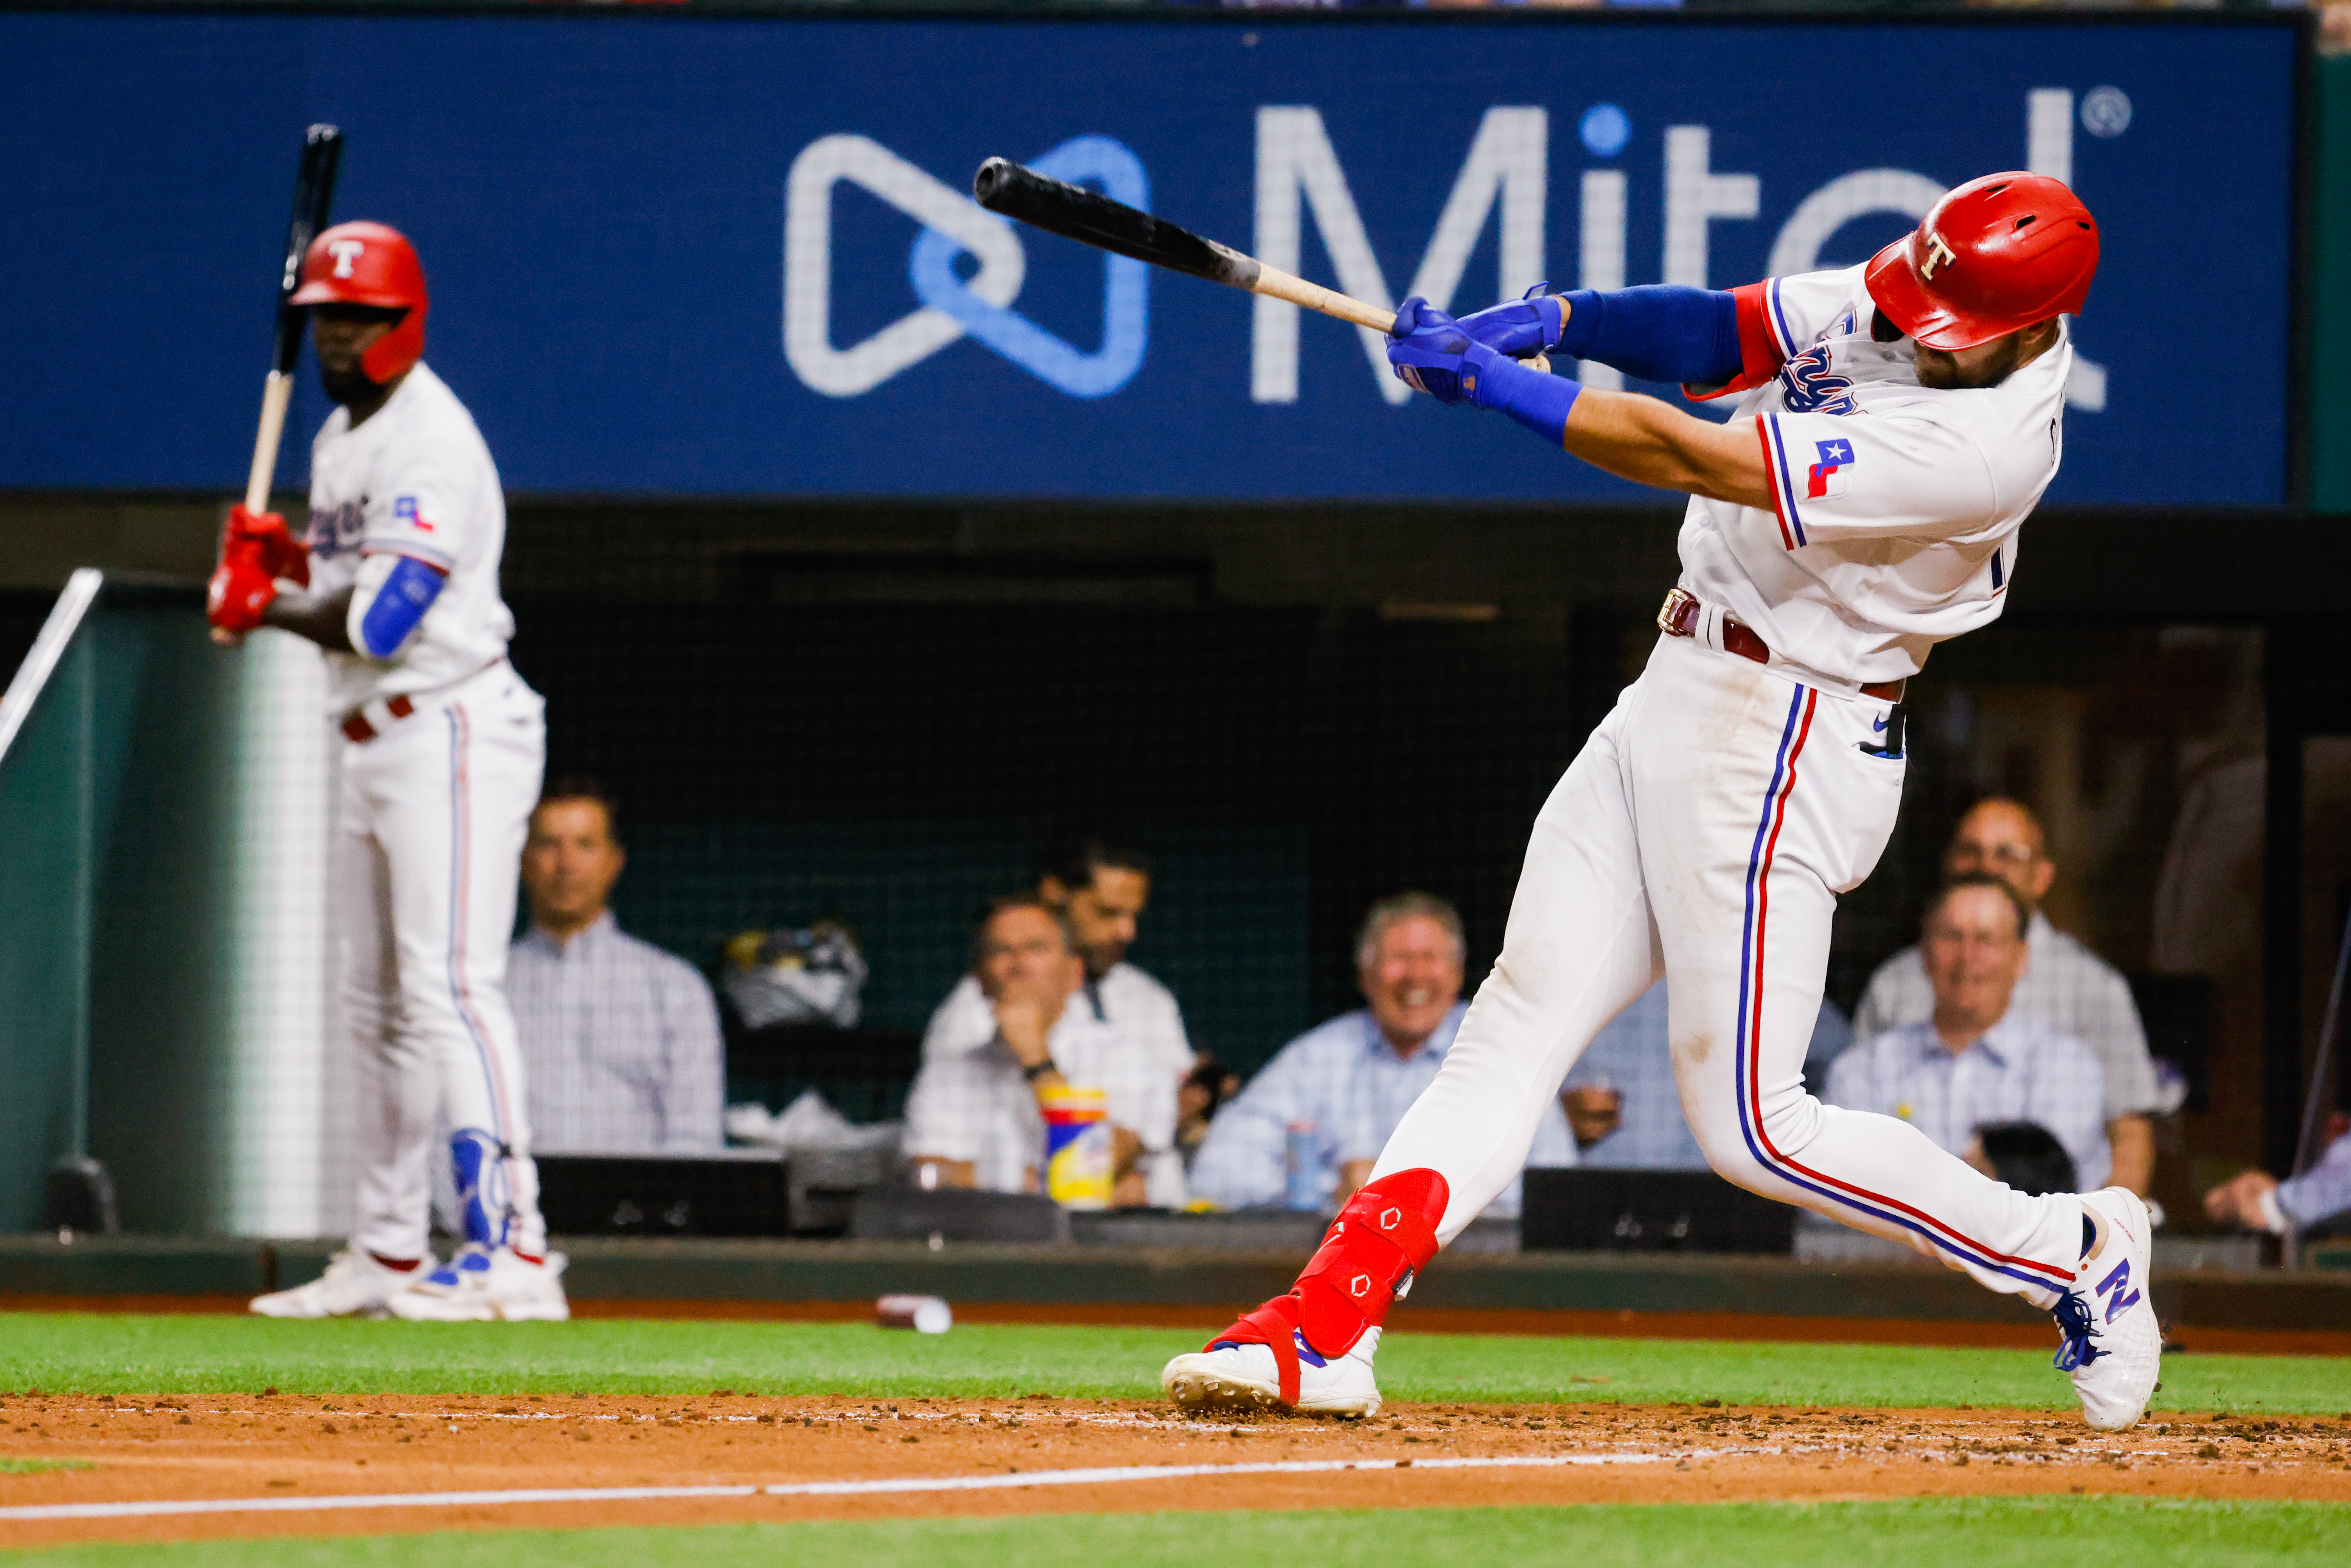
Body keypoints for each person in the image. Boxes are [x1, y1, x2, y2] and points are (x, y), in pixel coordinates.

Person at [1161, 173, 2157, 1430]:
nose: (1910, 328)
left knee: (1752, 1127)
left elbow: (1693, 450)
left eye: (1947, 327)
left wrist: (1499, 390)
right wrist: (1557, 318)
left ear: (2028, 328)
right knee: (1511, 1025)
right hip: (1679, 681)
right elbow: (1726, 331)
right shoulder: (1923, 287)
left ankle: (2070, 1252)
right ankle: (1321, 1327)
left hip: (1788, 730)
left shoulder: (1982, 446)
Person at [223, 222, 564, 1322]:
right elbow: (349, 573)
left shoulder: (430, 439)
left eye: (358, 317)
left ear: (402, 321)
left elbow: (381, 619)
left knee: (451, 988)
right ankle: (386, 1249)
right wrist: (282, 561)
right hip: (371, 738)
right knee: (370, 1000)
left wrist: (261, 605)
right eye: (326, 316)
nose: (337, 337)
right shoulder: (339, 433)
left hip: (450, 723)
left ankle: (517, 1247)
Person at [1187, 894, 1576, 1216]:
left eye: (1430, 957)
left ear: (1458, 973)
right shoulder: (1318, 1057)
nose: (1414, 975)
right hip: (1346, 1277)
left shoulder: (1502, 1052)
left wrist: (1406, 1194)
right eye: (1399, 959)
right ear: (1364, 976)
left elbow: (1559, 1187)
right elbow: (1217, 1171)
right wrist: (1330, 1188)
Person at [1854, 798, 2162, 1196]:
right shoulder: (1893, 983)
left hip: (2042, 1232)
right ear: (1949, 863)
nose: (1986, 865)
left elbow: (2130, 1133)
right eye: (1970, 850)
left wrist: (2100, 1238)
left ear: (2042, 876)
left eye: (2007, 854)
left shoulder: (2094, 986)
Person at [1827, 877, 2110, 1192]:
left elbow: (2047, 1194)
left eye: (1986, 939)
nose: (1967, 956)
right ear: (1924, 951)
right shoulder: (1863, 1070)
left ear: (2021, 958)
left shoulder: (2068, 1068)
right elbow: (1837, 1198)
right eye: (1952, 937)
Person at [902, 896, 1181, 1206]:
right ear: (979, 979)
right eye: (1001, 951)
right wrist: (1053, 1190)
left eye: (1036, 949)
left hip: (1111, 1247)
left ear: (1074, 973)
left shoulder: (1132, 1057)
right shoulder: (948, 1071)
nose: (1019, 965)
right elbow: (926, 1177)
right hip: (982, 1242)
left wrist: (1037, 1059)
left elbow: (1101, 1164)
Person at [508, 782, 726, 1153]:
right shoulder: (482, 986)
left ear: (614, 861)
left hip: (637, 1205)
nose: (566, 864)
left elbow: (696, 1138)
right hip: (507, 1206)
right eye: (548, 844)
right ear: (523, 860)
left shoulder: (674, 987)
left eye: (585, 844)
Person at [1563, 979, 1851, 1168]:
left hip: (1729, 1211)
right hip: (1595, 1202)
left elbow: (1845, 1074)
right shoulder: (1578, 975)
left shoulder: (1759, 971)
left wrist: (1784, 1120)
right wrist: (1556, 1120)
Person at [1038, 840, 1193, 1087]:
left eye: (1134, 915)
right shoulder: (990, 999)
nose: (1127, 932)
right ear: (1054, 892)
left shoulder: (1149, 998)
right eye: (1108, 912)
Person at [2204, 1120, 2351, 1237]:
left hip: (2291, 1208)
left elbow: (2263, 1183)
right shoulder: (2243, 1209)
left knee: (2335, 1182)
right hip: (2291, 1209)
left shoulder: (2244, 1203)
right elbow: (2266, 1186)